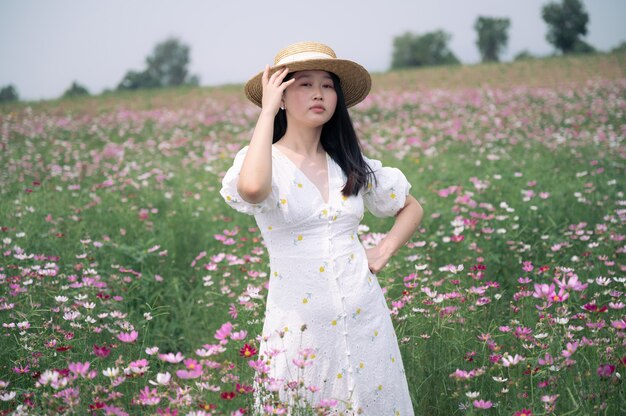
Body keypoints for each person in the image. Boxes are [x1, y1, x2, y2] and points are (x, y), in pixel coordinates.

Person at [220, 41, 423, 415]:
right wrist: (266, 114)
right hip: (298, 327)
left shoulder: (349, 162)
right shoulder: (265, 162)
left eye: (328, 85)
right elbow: (251, 190)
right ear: (280, 94)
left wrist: (384, 250)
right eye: (304, 84)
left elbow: (410, 207)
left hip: (366, 320)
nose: (319, 94)